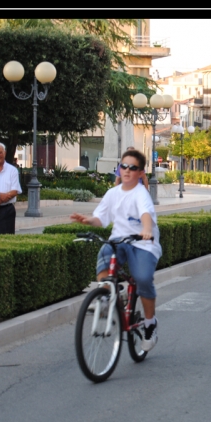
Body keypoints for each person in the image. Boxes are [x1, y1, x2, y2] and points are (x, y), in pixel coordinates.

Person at [70, 149, 162, 353]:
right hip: (119, 241)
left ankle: (149, 324)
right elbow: (100, 218)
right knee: (104, 253)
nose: (127, 171)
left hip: (142, 243)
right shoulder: (112, 193)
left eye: (133, 167)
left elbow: (146, 214)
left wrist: (146, 230)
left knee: (143, 278)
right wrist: (88, 220)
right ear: (119, 169)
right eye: (124, 166)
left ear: (140, 172)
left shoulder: (141, 193)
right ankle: (106, 297)